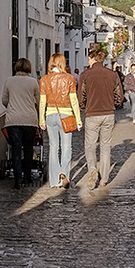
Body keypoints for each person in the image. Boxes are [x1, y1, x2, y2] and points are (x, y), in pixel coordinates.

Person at [78, 44, 123, 190]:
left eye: (89, 59)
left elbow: (81, 96)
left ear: (92, 58)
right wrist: (113, 104)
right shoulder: (112, 74)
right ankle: (104, 178)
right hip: (108, 114)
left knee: (90, 146)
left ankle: (92, 170)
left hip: (92, 114)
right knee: (105, 146)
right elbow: (119, 96)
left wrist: (85, 106)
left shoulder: (85, 75)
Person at [38, 54, 82, 188]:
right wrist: (78, 119)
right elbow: (74, 100)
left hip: (50, 115)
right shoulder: (69, 79)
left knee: (53, 147)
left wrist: (41, 120)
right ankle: (64, 172)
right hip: (66, 115)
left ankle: (54, 181)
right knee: (67, 147)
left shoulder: (44, 79)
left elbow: (42, 102)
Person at [1, 58, 40, 187]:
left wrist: (13, 107)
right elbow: (39, 101)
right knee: (29, 149)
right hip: (30, 120)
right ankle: (27, 177)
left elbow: (4, 100)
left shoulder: (9, 81)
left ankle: (17, 179)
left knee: (16, 149)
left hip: (13, 121)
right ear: (29, 68)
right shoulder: (33, 82)